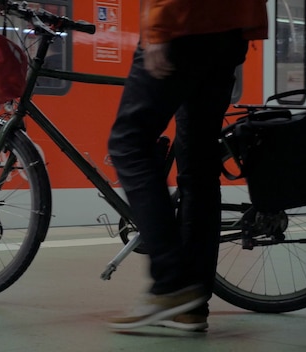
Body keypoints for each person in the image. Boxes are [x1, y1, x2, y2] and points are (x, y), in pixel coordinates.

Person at [107, 1, 268, 332]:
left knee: (128, 143)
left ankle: (169, 284)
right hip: (231, 30)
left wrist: (157, 29)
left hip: (182, 19)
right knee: (199, 165)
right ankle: (191, 307)